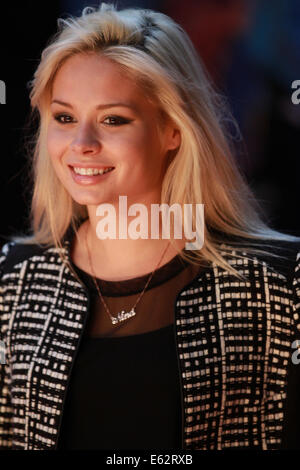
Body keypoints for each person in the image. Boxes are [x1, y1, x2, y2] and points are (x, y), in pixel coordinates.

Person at [1, 2, 300, 451]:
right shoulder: (13, 282)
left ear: (172, 130)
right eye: (64, 118)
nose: (81, 144)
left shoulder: (280, 283)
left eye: (113, 119)